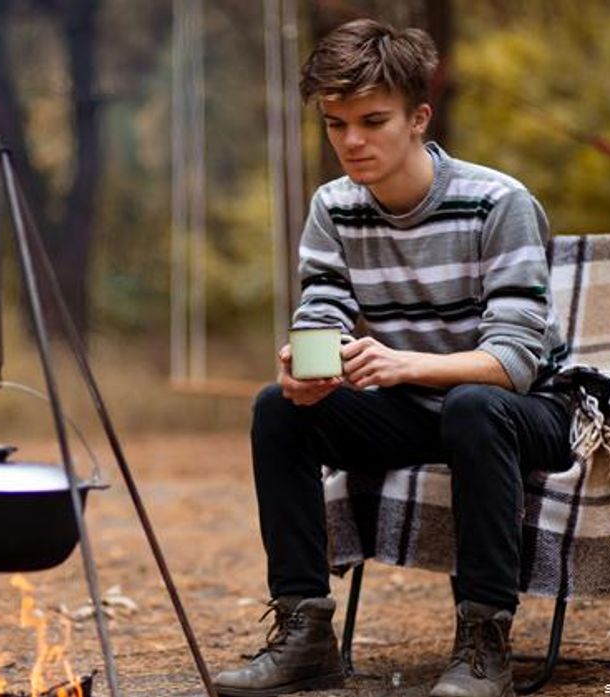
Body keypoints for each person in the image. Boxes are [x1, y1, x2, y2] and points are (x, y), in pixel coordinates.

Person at [212, 18, 572, 697]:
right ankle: (304, 636)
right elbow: (320, 313)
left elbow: (516, 359)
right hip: (413, 408)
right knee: (275, 410)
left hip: (527, 412)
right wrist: (306, 367)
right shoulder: (333, 207)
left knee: (473, 406)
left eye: (371, 120)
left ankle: (482, 642)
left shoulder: (498, 203)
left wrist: (404, 363)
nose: (351, 141)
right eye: (334, 123)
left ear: (418, 117)